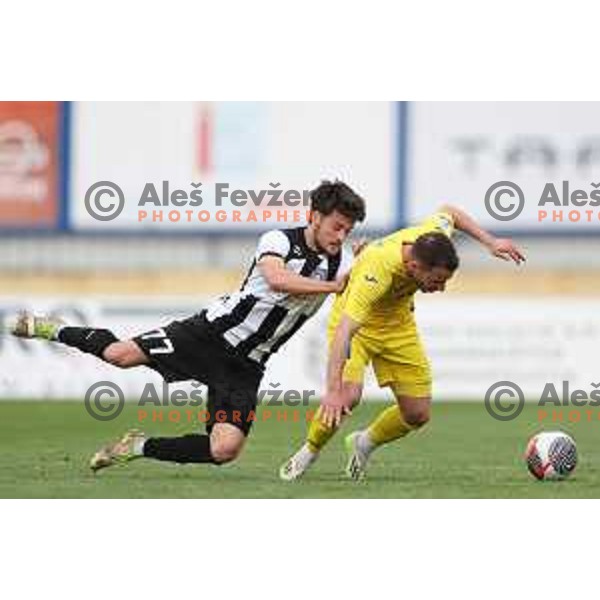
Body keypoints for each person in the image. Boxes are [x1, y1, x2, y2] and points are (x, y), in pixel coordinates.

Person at [10, 181, 366, 471]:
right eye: (336, 226)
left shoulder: (344, 262)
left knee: (224, 449)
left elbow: (375, 271)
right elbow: (276, 278)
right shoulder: (278, 240)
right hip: (208, 335)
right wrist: (333, 287)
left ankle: (137, 446)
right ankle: (53, 329)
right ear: (314, 216)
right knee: (119, 355)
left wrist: (368, 261)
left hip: (247, 364)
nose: (341, 235)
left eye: (347, 230)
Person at [280, 205, 525, 481]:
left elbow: (451, 213)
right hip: (356, 328)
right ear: (413, 266)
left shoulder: (432, 236)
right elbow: (343, 333)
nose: (440, 289)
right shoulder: (377, 270)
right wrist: (332, 390)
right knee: (347, 396)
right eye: (436, 281)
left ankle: (364, 443)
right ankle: (309, 451)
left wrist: (490, 242)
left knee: (418, 414)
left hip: (397, 325)